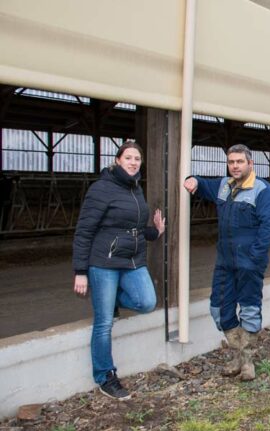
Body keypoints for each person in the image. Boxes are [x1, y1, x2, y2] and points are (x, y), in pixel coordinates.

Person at [72, 140, 165, 400]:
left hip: (132, 259)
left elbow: (131, 227)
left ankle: (109, 298)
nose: (134, 162)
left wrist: (154, 232)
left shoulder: (135, 188)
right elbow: (84, 231)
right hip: (104, 260)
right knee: (103, 322)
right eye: (129, 158)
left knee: (147, 301)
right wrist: (80, 270)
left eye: (137, 158)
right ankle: (105, 376)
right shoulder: (101, 189)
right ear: (117, 160)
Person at [183, 144, 270, 380]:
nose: (235, 166)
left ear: (250, 164)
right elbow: (203, 185)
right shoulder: (224, 186)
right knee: (219, 308)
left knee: (249, 308)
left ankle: (246, 362)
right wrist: (192, 179)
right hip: (225, 262)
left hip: (249, 264)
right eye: (231, 162)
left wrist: (254, 256)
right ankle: (238, 353)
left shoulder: (263, 191)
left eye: (239, 162)